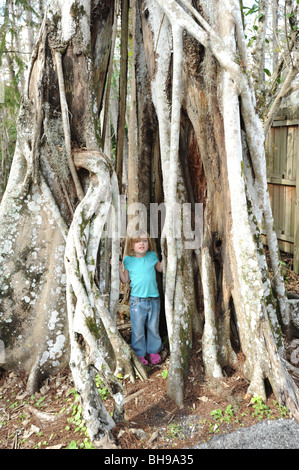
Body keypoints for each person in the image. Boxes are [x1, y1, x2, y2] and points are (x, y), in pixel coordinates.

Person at [119, 230, 163, 366]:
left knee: (153, 327)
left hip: (154, 299)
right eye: (137, 241)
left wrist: (166, 257)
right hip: (137, 301)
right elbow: (125, 279)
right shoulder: (128, 260)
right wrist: (117, 267)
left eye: (144, 241)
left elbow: (160, 269)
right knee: (138, 329)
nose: (141, 244)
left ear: (149, 244)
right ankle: (140, 353)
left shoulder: (152, 256)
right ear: (132, 246)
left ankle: (154, 351)